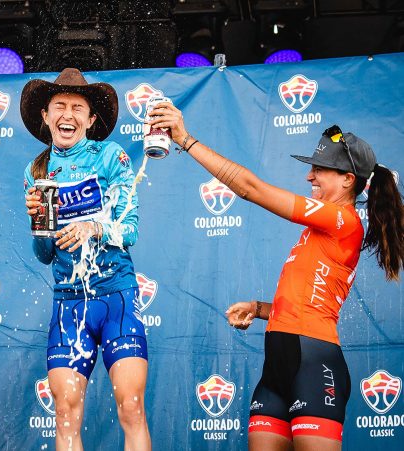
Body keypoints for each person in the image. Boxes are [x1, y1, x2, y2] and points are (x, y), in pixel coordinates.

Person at [148, 105, 403, 451]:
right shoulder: (319, 230)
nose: (309, 177)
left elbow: (251, 189)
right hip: (277, 365)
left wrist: (186, 140)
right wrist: (258, 308)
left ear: (348, 179)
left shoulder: (342, 221)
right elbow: (310, 301)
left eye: (319, 169)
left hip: (315, 365)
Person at [21, 68, 151, 451]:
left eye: (78, 107)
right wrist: (37, 224)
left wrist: (93, 228)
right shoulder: (35, 171)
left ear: (91, 120)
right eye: (59, 105)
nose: (68, 114)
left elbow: (130, 229)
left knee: (131, 408)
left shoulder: (111, 156)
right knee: (66, 413)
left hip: (116, 298)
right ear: (45, 116)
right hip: (69, 304)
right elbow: (45, 255)